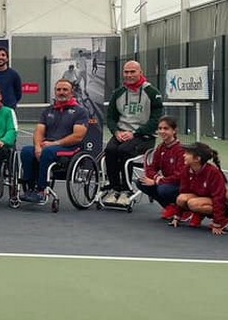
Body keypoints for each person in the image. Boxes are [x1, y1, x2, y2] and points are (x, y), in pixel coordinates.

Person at [102, 60, 162, 206]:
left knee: (124, 150)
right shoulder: (118, 93)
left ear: (140, 72)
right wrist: (116, 132)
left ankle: (126, 190)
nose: (129, 75)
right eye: (126, 72)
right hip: (121, 133)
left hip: (144, 136)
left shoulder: (152, 93)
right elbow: (110, 117)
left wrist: (135, 133)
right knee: (110, 150)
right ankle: (114, 188)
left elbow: (156, 120)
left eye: (132, 72)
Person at [18, 79, 88, 204]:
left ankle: (41, 190)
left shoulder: (80, 112)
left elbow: (78, 136)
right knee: (27, 151)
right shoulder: (48, 111)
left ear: (72, 92)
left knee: (48, 152)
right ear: (55, 92)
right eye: (58, 90)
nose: (61, 92)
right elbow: (39, 131)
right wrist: (37, 147)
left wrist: (55, 143)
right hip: (48, 146)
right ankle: (29, 188)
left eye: (65, 90)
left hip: (70, 148)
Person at [171, 143, 228, 234]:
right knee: (181, 198)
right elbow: (184, 191)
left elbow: (219, 198)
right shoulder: (186, 169)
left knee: (193, 203)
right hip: (201, 197)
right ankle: (197, 214)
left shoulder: (213, 173)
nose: (184, 155)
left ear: (197, 159)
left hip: (220, 202)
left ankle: (224, 218)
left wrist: (217, 222)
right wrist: (177, 216)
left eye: (187, 153)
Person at [136, 116, 185, 220]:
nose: (162, 131)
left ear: (174, 131)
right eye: (160, 128)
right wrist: (156, 178)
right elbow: (151, 168)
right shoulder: (161, 147)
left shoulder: (181, 150)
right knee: (141, 182)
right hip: (165, 182)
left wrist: (158, 181)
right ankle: (170, 207)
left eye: (166, 128)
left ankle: (184, 209)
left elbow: (179, 176)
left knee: (163, 189)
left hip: (182, 186)